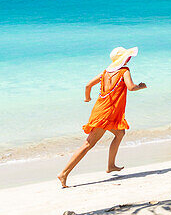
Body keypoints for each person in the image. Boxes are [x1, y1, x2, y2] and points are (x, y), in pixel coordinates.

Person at [58, 46, 147, 188]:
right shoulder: (124, 71)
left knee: (120, 133)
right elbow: (131, 87)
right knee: (88, 144)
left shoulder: (105, 73)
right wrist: (141, 86)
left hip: (100, 110)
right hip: (107, 114)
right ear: (124, 59)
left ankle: (111, 165)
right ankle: (64, 173)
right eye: (127, 57)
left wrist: (87, 99)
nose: (129, 59)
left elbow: (88, 86)